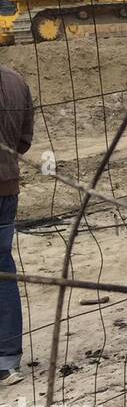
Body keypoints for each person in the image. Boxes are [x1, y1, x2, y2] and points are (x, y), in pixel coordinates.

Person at [0, 62, 34, 385]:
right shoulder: (16, 79)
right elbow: (24, 141)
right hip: (7, 187)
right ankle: (8, 359)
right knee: (3, 267)